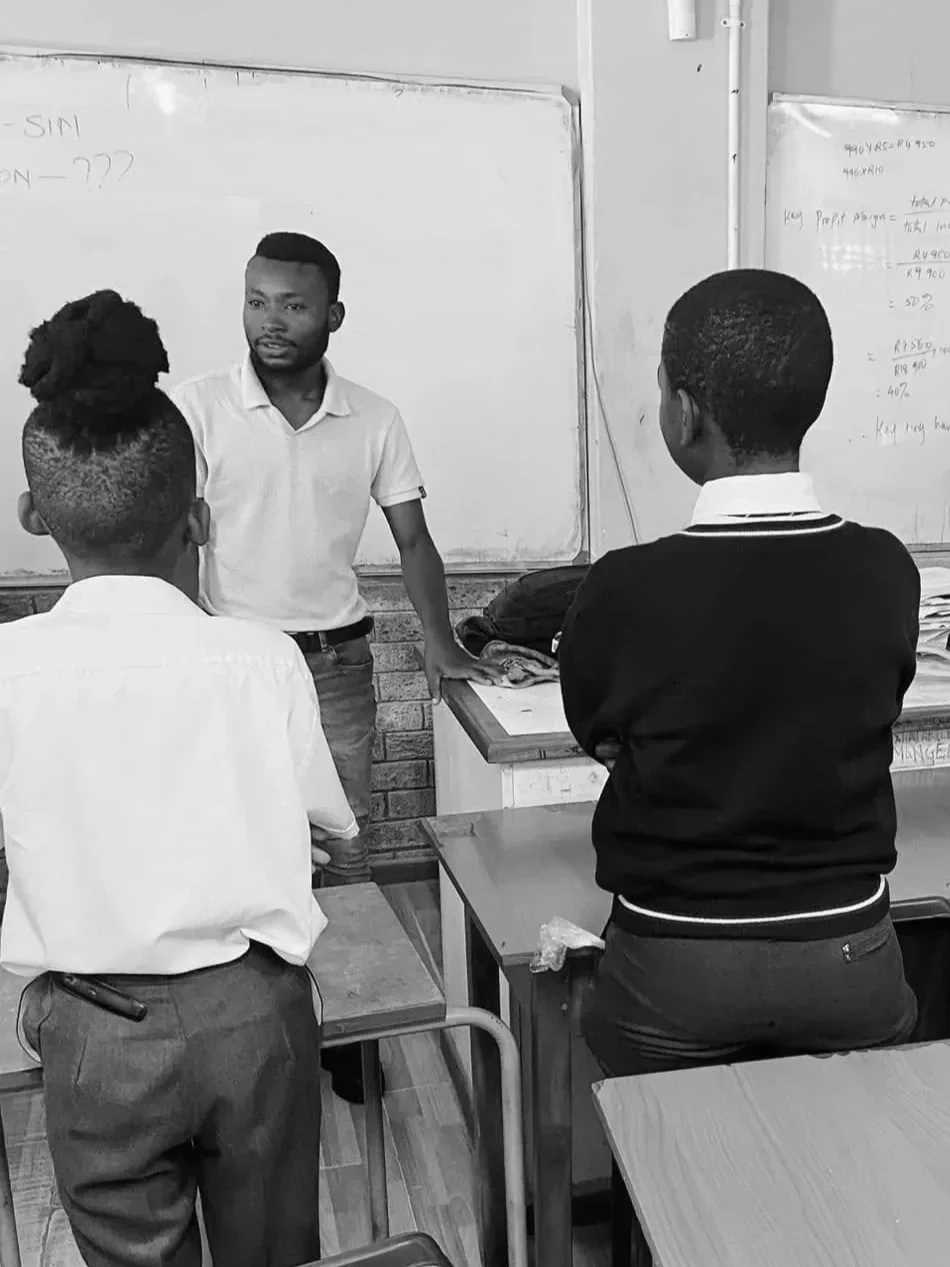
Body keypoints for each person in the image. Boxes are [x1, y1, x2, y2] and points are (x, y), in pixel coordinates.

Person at [1, 290, 357, 1267]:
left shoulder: (6, 670)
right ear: (197, 517)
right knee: (273, 1249)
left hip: (95, 1024)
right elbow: (331, 832)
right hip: (253, 1012)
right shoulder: (261, 657)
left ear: (34, 515)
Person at [559, 268, 920, 1080]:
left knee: (673, 1163)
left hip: (671, 968)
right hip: (849, 957)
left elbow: (600, 736)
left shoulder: (624, 588)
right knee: (841, 1157)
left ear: (684, 414)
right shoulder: (886, 570)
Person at [172, 230, 501, 1101]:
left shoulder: (376, 417)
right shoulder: (197, 407)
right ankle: (248, 1040)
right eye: (257, 301)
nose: (271, 322)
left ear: (334, 316)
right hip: (232, 662)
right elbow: (168, 530)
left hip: (335, 664)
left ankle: (347, 1031)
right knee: (239, 848)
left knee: (345, 851)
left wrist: (440, 640)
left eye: (294, 305)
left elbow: (414, 539)